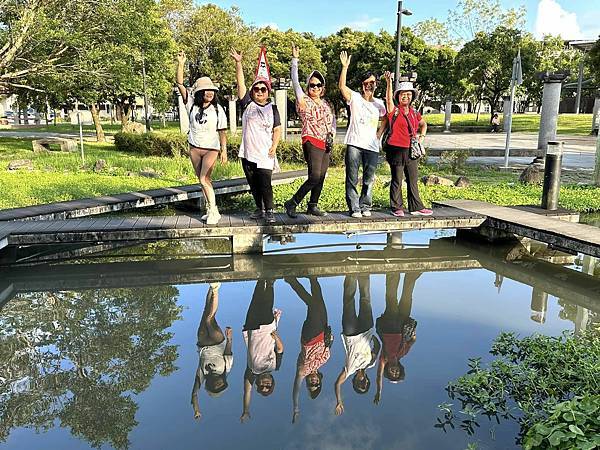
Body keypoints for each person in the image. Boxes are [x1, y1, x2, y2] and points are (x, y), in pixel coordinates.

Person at [175, 51, 228, 225]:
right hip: (194, 147)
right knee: (202, 180)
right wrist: (181, 64)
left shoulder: (218, 109)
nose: (210, 93)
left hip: (211, 148)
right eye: (207, 90)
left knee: (205, 179)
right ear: (200, 92)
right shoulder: (191, 104)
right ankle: (211, 209)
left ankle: (214, 211)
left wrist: (224, 151)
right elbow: (180, 84)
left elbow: (222, 131)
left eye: (212, 90)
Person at [284, 44, 336, 218]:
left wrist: (332, 134)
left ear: (322, 88)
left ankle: (312, 205)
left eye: (318, 85)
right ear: (308, 87)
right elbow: (295, 82)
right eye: (312, 85)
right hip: (311, 139)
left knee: (321, 176)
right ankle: (292, 202)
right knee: (314, 176)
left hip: (325, 142)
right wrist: (295, 60)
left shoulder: (326, 103)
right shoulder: (303, 100)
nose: (315, 88)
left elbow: (332, 121)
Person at [231, 49, 281, 224]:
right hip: (248, 153)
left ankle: (270, 210)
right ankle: (259, 209)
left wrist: (274, 146)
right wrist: (238, 63)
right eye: (257, 89)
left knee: (265, 183)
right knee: (253, 184)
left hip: (265, 153)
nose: (260, 92)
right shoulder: (248, 105)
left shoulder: (272, 109)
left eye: (263, 89)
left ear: (268, 92)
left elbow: (277, 129)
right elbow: (241, 83)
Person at [338, 51, 388, 218]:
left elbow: (387, 117)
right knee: (352, 176)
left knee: (369, 177)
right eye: (367, 82)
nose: (370, 85)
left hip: (371, 145)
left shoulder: (379, 103)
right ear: (362, 85)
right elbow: (342, 88)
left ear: (376, 84)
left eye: (372, 82)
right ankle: (354, 207)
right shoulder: (356, 98)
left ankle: (365, 205)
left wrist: (379, 133)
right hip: (354, 143)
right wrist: (345, 68)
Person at [383, 71, 432, 217]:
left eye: (409, 94)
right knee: (397, 179)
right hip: (396, 149)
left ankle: (416, 206)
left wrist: (421, 138)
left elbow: (424, 124)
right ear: (398, 96)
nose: (406, 96)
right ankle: (396, 207)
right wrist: (389, 83)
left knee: (413, 179)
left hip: (411, 151)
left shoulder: (414, 112)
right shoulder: (394, 111)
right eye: (403, 94)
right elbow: (388, 101)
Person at [285, 277, 331, 424]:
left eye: (310, 385)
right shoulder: (323, 362)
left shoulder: (302, 371)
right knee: (319, 301)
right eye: (316, 384)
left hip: (310, 337)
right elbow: (328, 345)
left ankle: (291, 280)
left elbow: (295, 390)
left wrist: (296, 407)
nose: (313, 382)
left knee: (312, 305)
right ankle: (312, 277)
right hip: (323, 330)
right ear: (320, 381)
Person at [334, 275, 380, 416]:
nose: (363, 384)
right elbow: (377, 348)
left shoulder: (350, 370)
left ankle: (351, 274)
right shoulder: (370, 364)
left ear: (354, 382)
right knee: (365, 300)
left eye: (360, 386)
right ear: (367, 381)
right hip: (366, 329)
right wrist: (372, 337)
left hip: (351, 333)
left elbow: (337, 384)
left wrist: (339, 400)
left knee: (348, 302)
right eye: (365, 385)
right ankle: (364, 272)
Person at [373, 272, 421, 405]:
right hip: (402, 325)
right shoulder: (402, 354)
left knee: (391, 300)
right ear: (400, 370)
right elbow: (413, 340)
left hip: (389, 326)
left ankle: (393, 274)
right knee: (407, 299)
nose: (394, 372)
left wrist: (379, 391)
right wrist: (413, 332)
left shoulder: (384, 358)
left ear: (388, 370)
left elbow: (378, 376)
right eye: (397, 373)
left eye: (392, 373)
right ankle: (411, 276)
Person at [240, 278, 284, 423]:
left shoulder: (252, 372)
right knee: (266, 305)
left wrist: (246, 410)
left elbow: (247, 391)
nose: (265, 383)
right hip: (266, 330)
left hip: (251, 329)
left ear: (258, 383)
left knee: (255, 301)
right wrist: (276, 337)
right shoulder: (275, 367)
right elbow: (280, 349)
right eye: (268, 386)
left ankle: (260, 279)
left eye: (262, 386)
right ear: (272, 382)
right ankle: (271, 282)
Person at [191, 282, 233, 420]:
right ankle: (215, 289)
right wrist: (229, 338)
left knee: (205, 313)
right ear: (223, 382)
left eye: (215, 386)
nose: (217, 384)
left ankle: (211, 287)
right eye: (220, 385)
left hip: (202, 343)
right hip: (218, 341)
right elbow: (227, 353)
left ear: (210, 386)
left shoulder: (202, 376)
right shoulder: (226, 369)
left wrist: (196, 409)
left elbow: (194, 394)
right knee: (209, 319)